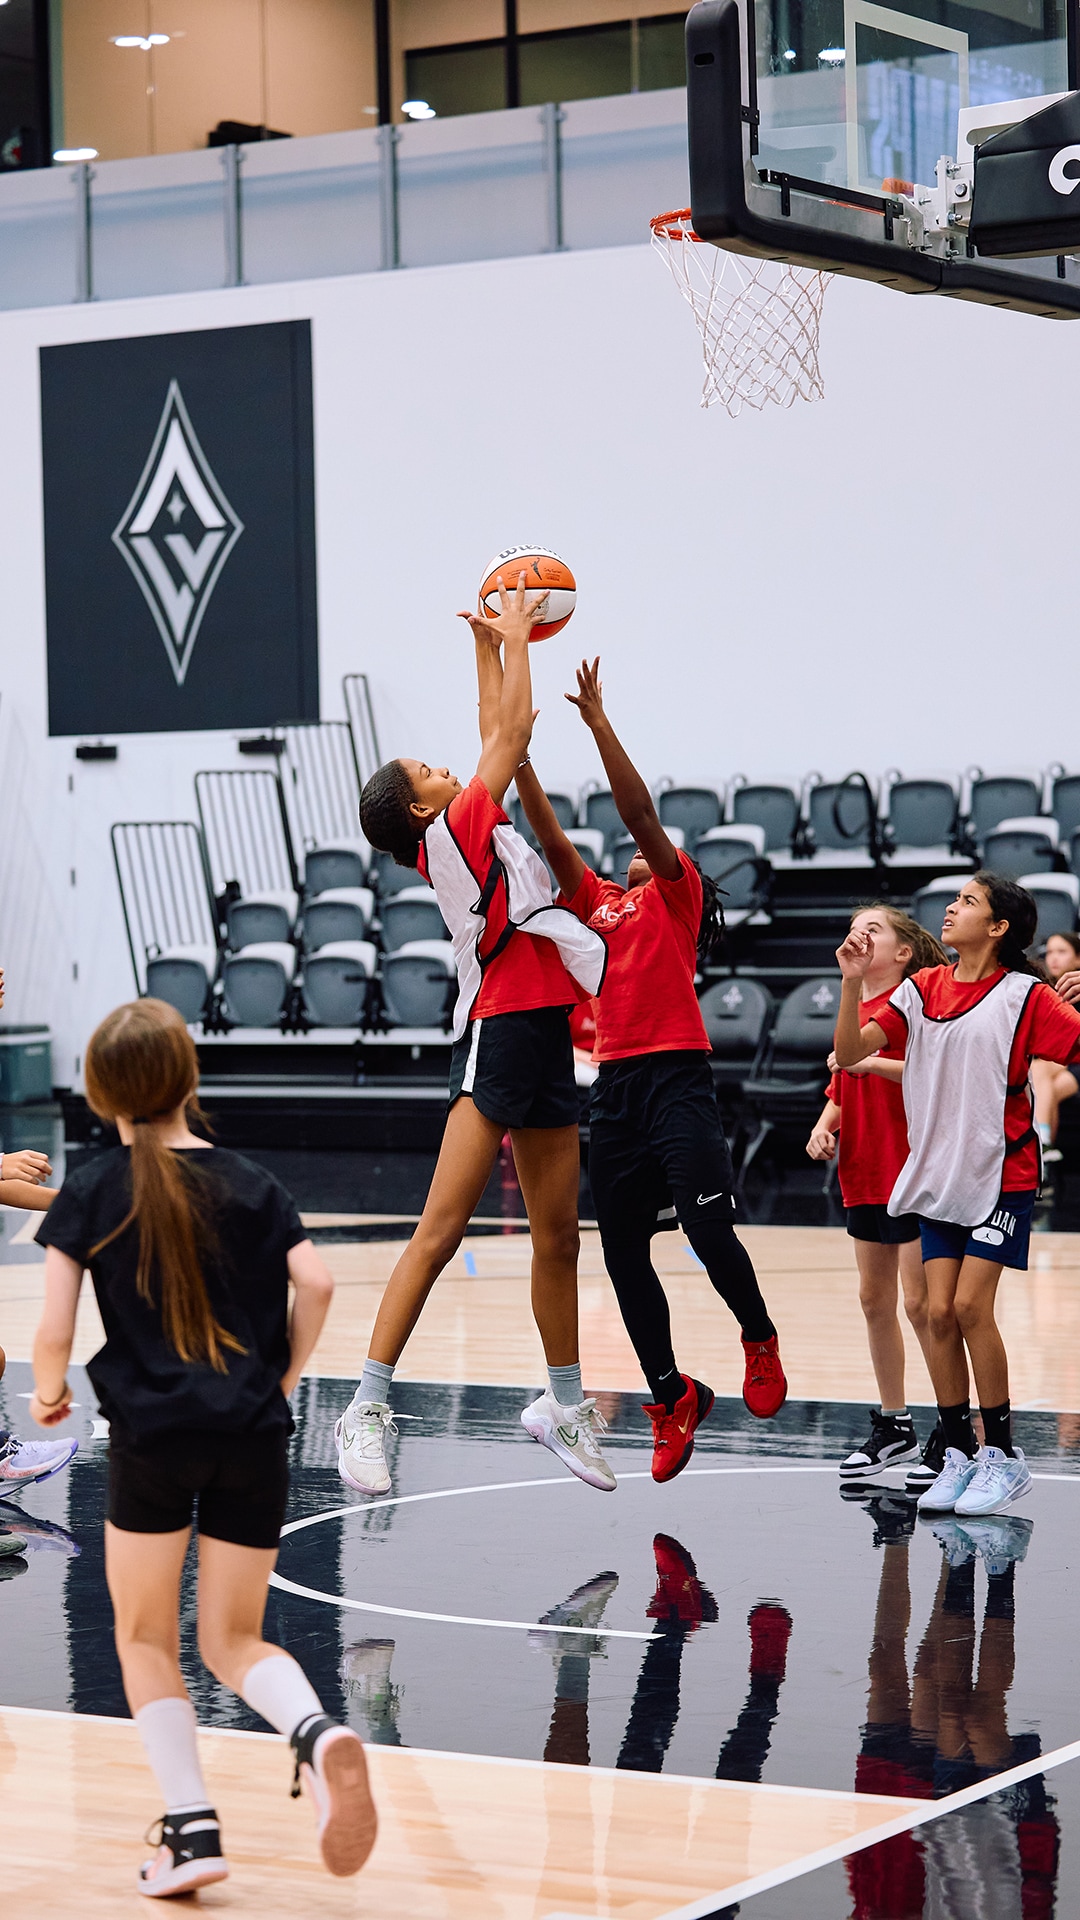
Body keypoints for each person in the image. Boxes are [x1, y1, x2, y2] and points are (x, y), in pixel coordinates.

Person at [30, 999, 376, 1897]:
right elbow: (318, 1283)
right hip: (251, 1436)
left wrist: (48, 1392)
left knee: (146, 1638)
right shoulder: (252, 1181)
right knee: (233, 1639)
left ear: (100, 1093)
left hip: (154, 1440)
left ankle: (191, 1833)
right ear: (189, 1079)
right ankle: (316, 1734)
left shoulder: (93, 1188)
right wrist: (282, 1381)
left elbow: (54, 1329)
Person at [338, 573, 612, 1499]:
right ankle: (365, 1405)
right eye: (429, 769)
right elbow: (513, 735)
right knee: (441, 1230)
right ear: (422, 807)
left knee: (559, 1237)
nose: (446, 767)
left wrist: (485, 645)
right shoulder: (455, 828)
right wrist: (518, 634)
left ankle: (562, 1405)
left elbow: (498, 724)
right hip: (496, 1030)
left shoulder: (459, 825)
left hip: (543, 1032)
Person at [516, 657, 786, 1486]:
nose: (638, 852)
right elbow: (552, 842)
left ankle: (758, 1338)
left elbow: (636, 812)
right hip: (615, 1090)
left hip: (677, 1078)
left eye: (653, 849)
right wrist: (518, 760)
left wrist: (598, 722)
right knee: (622, 1254)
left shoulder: (675, 895)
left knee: (707, 1233)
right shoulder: (598, 902)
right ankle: (673, 1396)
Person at [834, 872, 1080, 1518]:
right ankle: (959, 1455)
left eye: (968, 901)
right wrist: (851, 983)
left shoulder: (1026, 995)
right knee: (938, 1314)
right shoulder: (921, 988)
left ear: (998, 928)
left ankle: (1001, 1454)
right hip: (938, 1175)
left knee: (970, 1307)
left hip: (1002, 1174)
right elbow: (851, 1053)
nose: (951, 907)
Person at [807, 905, 947, 1488]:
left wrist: (867, 1062)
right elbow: (843, 1084)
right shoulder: (853, 1008)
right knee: (873, 1300)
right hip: (864, 1168)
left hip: (911, 1168)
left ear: (903, 952)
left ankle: (953, 1428)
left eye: (875, 928)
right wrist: (824, 1124)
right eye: (854, 926)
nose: (859, 933)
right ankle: (896, 1424)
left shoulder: (913, 1003)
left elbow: (928, 1072)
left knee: (921, 1305)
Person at [1030, 930, 1080, 1163]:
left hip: (1073, 1064)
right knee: (1047, 1087)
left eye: (1062, 951)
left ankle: (1039, 1148)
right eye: (1049, 952)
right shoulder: (1041, 989)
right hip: (1057, 1067)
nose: (1054, 958)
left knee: (1039, 1074)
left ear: (1078, 958)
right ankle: (1045, 1149)